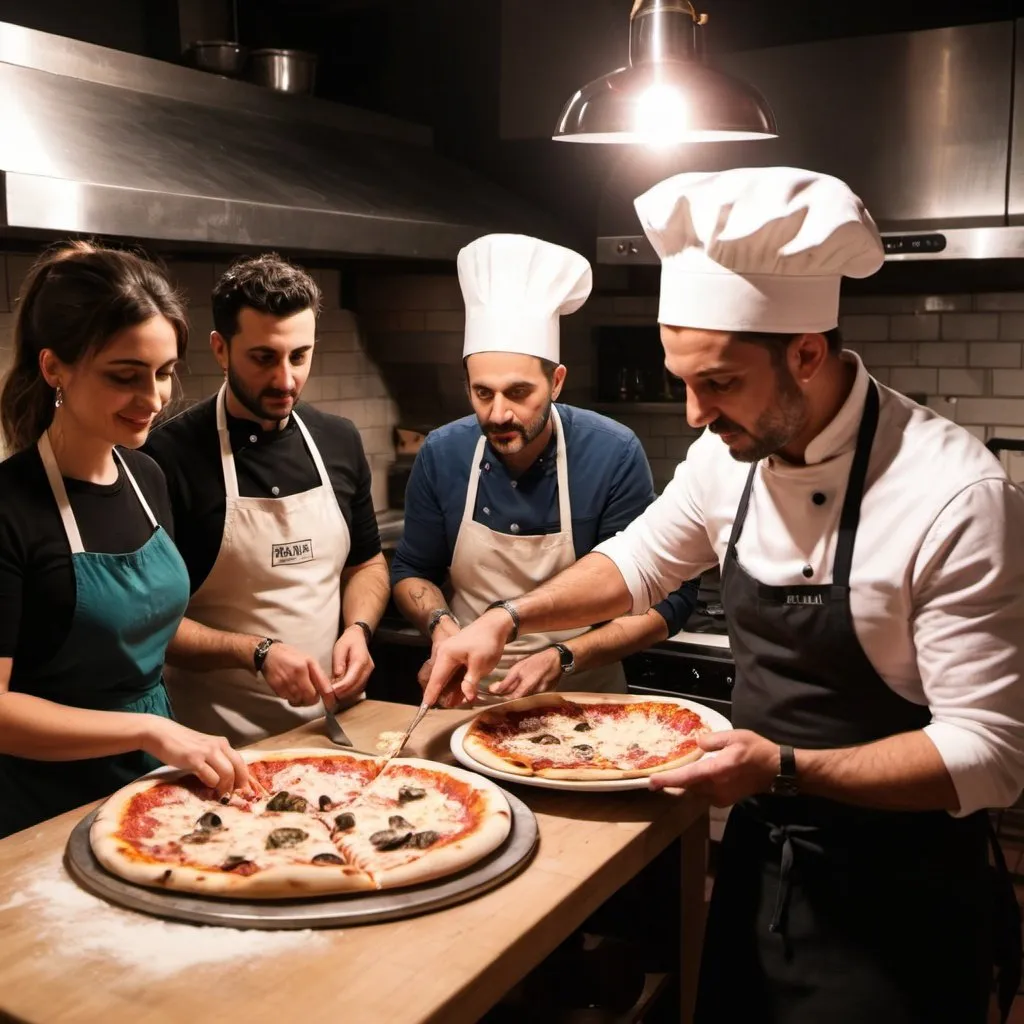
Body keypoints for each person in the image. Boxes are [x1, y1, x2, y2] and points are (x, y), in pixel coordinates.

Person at [424, 169, 1024, 1022]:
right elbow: (637, 562)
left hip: (902, 892)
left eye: (720, 383)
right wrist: (505, 619)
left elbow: (992, 755)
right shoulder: (725, 456)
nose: (696, 413)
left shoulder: (954, 494)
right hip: (760, 858)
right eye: (682, 381)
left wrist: (784, 767)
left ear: (807, 352)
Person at [0, 242, 253, 838]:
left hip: (150, 787)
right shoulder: (11, 508)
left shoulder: (147, 478)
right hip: (42, 808)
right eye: (125, 376)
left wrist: (254, 651)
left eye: (164, 373)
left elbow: (149, 630)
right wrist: (148, 729)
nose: (154, 400)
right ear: (53, 367)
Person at [390, 233, 698, 705]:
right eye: (482, 392)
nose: (497, 414)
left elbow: (667, 600)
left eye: (517, 393)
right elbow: (411, 569)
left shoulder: (610, 453)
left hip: (586, 701)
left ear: (556, 382)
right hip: (468, 700)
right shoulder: (443, 452)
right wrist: (442, 628)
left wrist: (564, 656)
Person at [144, 254, 389, 744]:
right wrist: (255, 652)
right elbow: (153, 626)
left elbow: (366, 564)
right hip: (216, 745)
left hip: (333, 730)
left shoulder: (339, 440)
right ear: (220, 349)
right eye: (263, 358)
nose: (285, 380)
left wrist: (359, 628)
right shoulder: (164, 457)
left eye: (299, 356)